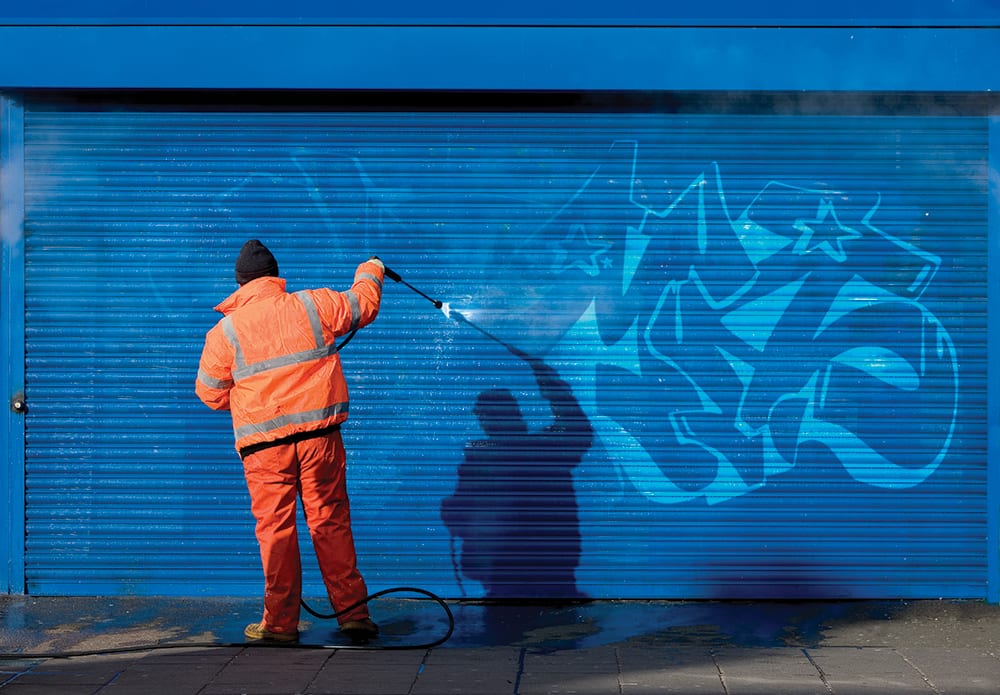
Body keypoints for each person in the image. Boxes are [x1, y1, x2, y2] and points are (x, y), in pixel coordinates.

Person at [195, 239, 384, 643]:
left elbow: (209, 393)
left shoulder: (225, 331)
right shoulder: (312, 305)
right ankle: (352, 615)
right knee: (330, 521)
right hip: (321, 440)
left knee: (276, 530)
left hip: (264, 449)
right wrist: (371, 268)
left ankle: (280, 625)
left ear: (240, 283)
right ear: (275, 277)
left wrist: (254, 400)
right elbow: (362, 305)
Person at [441, 358, 593, 599]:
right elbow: (578, 429)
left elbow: (460, 514)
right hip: (537, 569)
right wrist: (552, 386)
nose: (484, 422)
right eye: (482, 416)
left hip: (517, 572)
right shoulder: (543, 448)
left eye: (488, 415)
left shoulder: (523, 451)